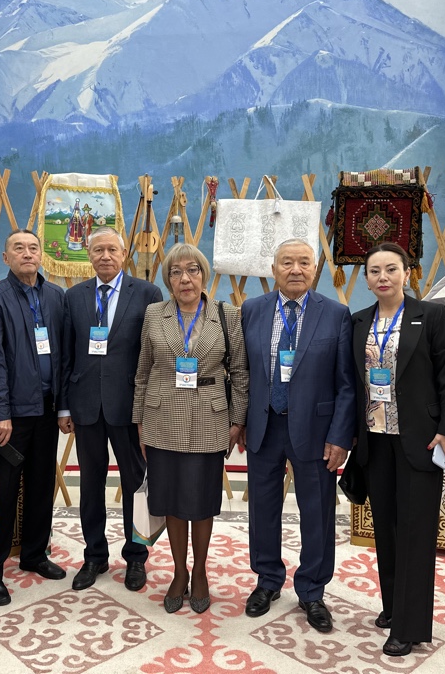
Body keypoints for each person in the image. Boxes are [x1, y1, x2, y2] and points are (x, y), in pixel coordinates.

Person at [351, 242, 445, 657]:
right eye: (374, 271)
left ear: (407, 273)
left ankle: (409, 626)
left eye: (391, 269)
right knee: (386, 528)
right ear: (366, 279)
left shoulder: (429, 316)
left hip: (419, 438)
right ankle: (393, 606)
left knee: (415, 532)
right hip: (375, 438)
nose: (383, 277)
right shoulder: (358, 321)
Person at [240, 239, 355, 632]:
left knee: (317, 512)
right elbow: (241, 372)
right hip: (264, 425)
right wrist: (240, 421)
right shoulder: (252, 310)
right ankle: (267, 579)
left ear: (314, 268)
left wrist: (340, 437)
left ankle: (312, 590)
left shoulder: (335, 314)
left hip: (316, 431)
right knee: (263, 509)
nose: (295, 270)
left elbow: (346, 384)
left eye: (304, 262)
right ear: (273, 270)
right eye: (286, 262)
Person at [133, 243, 248, 614]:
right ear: (168, 279)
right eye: (176, 271)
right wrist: (139, 421)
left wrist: (237, 419)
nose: (185, 278)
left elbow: (240, 372)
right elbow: (143, 371)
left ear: (204, 275)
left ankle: (200, 571)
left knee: (200, 501)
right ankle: (179, 571)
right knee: (169, 500)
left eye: (192, 270)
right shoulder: (155, 314)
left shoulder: (226, 315)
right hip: (161, 416)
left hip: (209, 418)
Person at [61, 227, 162, 592]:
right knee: (90, 484)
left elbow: (154, 354)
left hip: (129, 405)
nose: (105, 256)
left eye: (112, 250)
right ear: (89, 255)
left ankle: (136, 556)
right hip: (86, 404)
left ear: (124, 254)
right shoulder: (74, 296)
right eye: (98, 250)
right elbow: (66, 353)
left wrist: (149, 408)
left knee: (135, 483)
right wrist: (63, 407)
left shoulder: (147, 294)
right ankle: (94, 555)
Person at [0, 229, 68, 605]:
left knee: (42, 485)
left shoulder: (56, 296)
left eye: (33, 248)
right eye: (19, 248)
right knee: (1, 491)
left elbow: (64, 354)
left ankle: (34, 554)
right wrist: (1, 413)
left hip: (48, 409)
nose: (27, 254)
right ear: (5, 257)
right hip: (11, 416)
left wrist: (64, 406)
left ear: (41, 255)